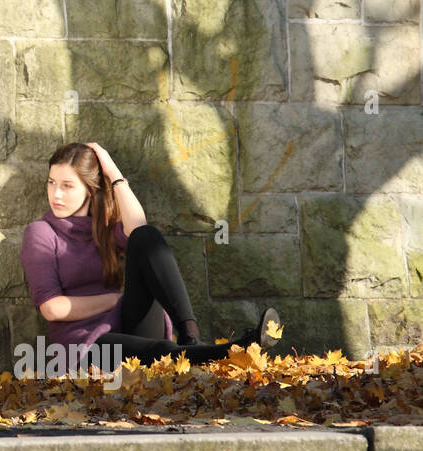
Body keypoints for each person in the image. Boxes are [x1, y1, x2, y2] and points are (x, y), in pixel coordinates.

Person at [19, 141, 280, 373]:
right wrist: (111, 300)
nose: (56, 194)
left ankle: (190, 335)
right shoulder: (41, 233)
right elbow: (52, 308)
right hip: (83, 345)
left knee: (145, 237)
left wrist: (114, 174)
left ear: (90, 189)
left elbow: (138, 227)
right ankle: (236, 351)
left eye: (67, 186)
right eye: (51, 183)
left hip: (125, 322)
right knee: (157, 350)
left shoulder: (104, 227)